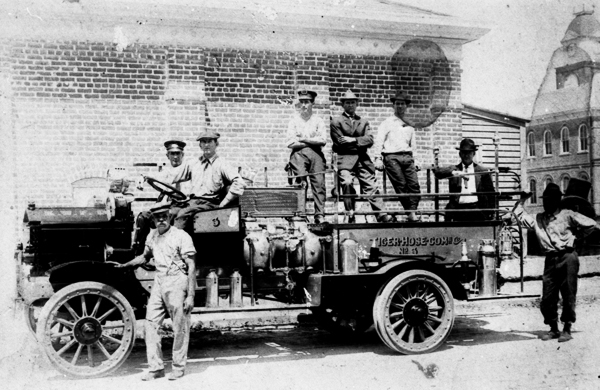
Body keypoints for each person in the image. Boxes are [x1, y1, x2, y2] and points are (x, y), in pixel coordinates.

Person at [115, 204, 196, 380]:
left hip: (177, 280)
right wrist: (126, 265)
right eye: (157, 217)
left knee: (179, 326)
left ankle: (178, 367)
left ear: (170, 217)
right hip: (159, 281)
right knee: (150, 323)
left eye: (164, 216)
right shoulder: (152, 236)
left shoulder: (181, 236)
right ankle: (156, 368)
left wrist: (190, 295)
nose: (161, 220)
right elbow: (144, 257)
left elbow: (191, 266)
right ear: (152, 220)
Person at [513, 183, 599, 342]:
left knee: (568, 294)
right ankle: (553, 328)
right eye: (545, 200)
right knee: (547, 296)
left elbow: (592, 224)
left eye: (550, 199)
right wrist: (522, 200)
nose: (547, 203)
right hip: (550, 259)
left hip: (568, 257)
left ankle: (567, 328)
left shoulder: (568, 215)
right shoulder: (538, 218)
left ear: (557, 200)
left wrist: (578, 237)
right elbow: (519, 216)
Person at [330, 89, 391, 223]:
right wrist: (360, 142)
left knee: (371, 185)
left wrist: (353, 140)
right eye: (347, 103)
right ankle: (350, 212)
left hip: (362, 160)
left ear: (356, 104)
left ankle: (382, 214)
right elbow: (339, 143)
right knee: (347, 182)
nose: (350, 105)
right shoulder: (336, 121)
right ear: (343, 105)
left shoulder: (363, 122)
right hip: (345, 160)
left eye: (353, 102)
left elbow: (370, 140)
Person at [167, 130, 246, 231]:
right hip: (192, 203)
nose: (206, 145)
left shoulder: (222, 164)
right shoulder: (194, 163)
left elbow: (239, 182)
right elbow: (172, 175)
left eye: (210, 141)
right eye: (203, 142)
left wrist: (223, 203)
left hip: (210, 204)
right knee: (169, 213)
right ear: (200, 145)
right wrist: (147, 177)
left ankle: (175, 243)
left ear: (216, 144)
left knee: (183, 214)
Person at [373, 91, 421, 221]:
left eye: (402, 104)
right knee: (401, 186)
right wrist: (377, 158)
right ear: (393, 105)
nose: (400, 106)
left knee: (415, 186)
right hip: (392, 157)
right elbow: (379, 141)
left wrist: (416, 160)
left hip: (408, 157)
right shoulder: (387, 122)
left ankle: (412, 212)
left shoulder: (410, 123)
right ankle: (411, 213)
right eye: (397, 104)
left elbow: (413, 143)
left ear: (406, 106)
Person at [134, 140, 188, 254]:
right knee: (143, 217)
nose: (175, 157)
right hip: (168, 206)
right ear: (167, 156)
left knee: (168, 216)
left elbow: (173, 178)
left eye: (178, 153)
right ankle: (140, 254)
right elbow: (159, 177)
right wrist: (143, 177)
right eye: (172, 154)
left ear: (182, 155)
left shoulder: (186, 170)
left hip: (182, 208)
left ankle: (170, 253)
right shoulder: (166, 171)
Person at [286, 89, 328, 224]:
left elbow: (323, 140)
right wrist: (310, 140)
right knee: (300, 184)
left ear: (312, 103)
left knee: (319, 184)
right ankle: (301, 214)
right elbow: (290, 142)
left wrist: (303, 139)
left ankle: (319, 215)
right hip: (298, 155)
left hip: (316, 155)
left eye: (307, 102)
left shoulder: (318, 121)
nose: (304, 105)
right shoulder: (294, 121)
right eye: (302, 102)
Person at [433, 138, 495, 222]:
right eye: (464, 153)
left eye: (469, 153)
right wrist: (454, 173)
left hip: (477, 210)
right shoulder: (455, 169)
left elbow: (491, 193)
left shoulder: (482, 171)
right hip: (458, 210)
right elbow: (437, 173)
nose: (466, 155)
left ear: (473, 153)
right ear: (460, 154)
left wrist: (491, 211)